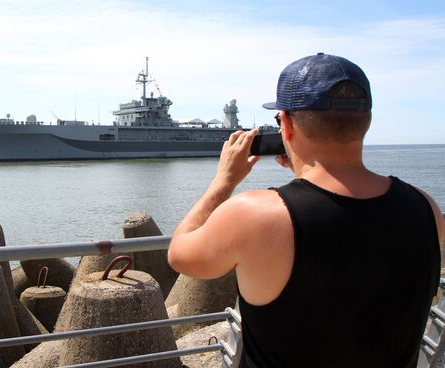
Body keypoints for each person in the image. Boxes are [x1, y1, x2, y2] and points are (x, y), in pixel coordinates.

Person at [168, 53, 444, 367]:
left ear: (285, 125)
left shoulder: (253, 215)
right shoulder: (426, 208)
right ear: (366, 121)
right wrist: (304, 176)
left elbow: (180, 253)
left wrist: (223, 181)